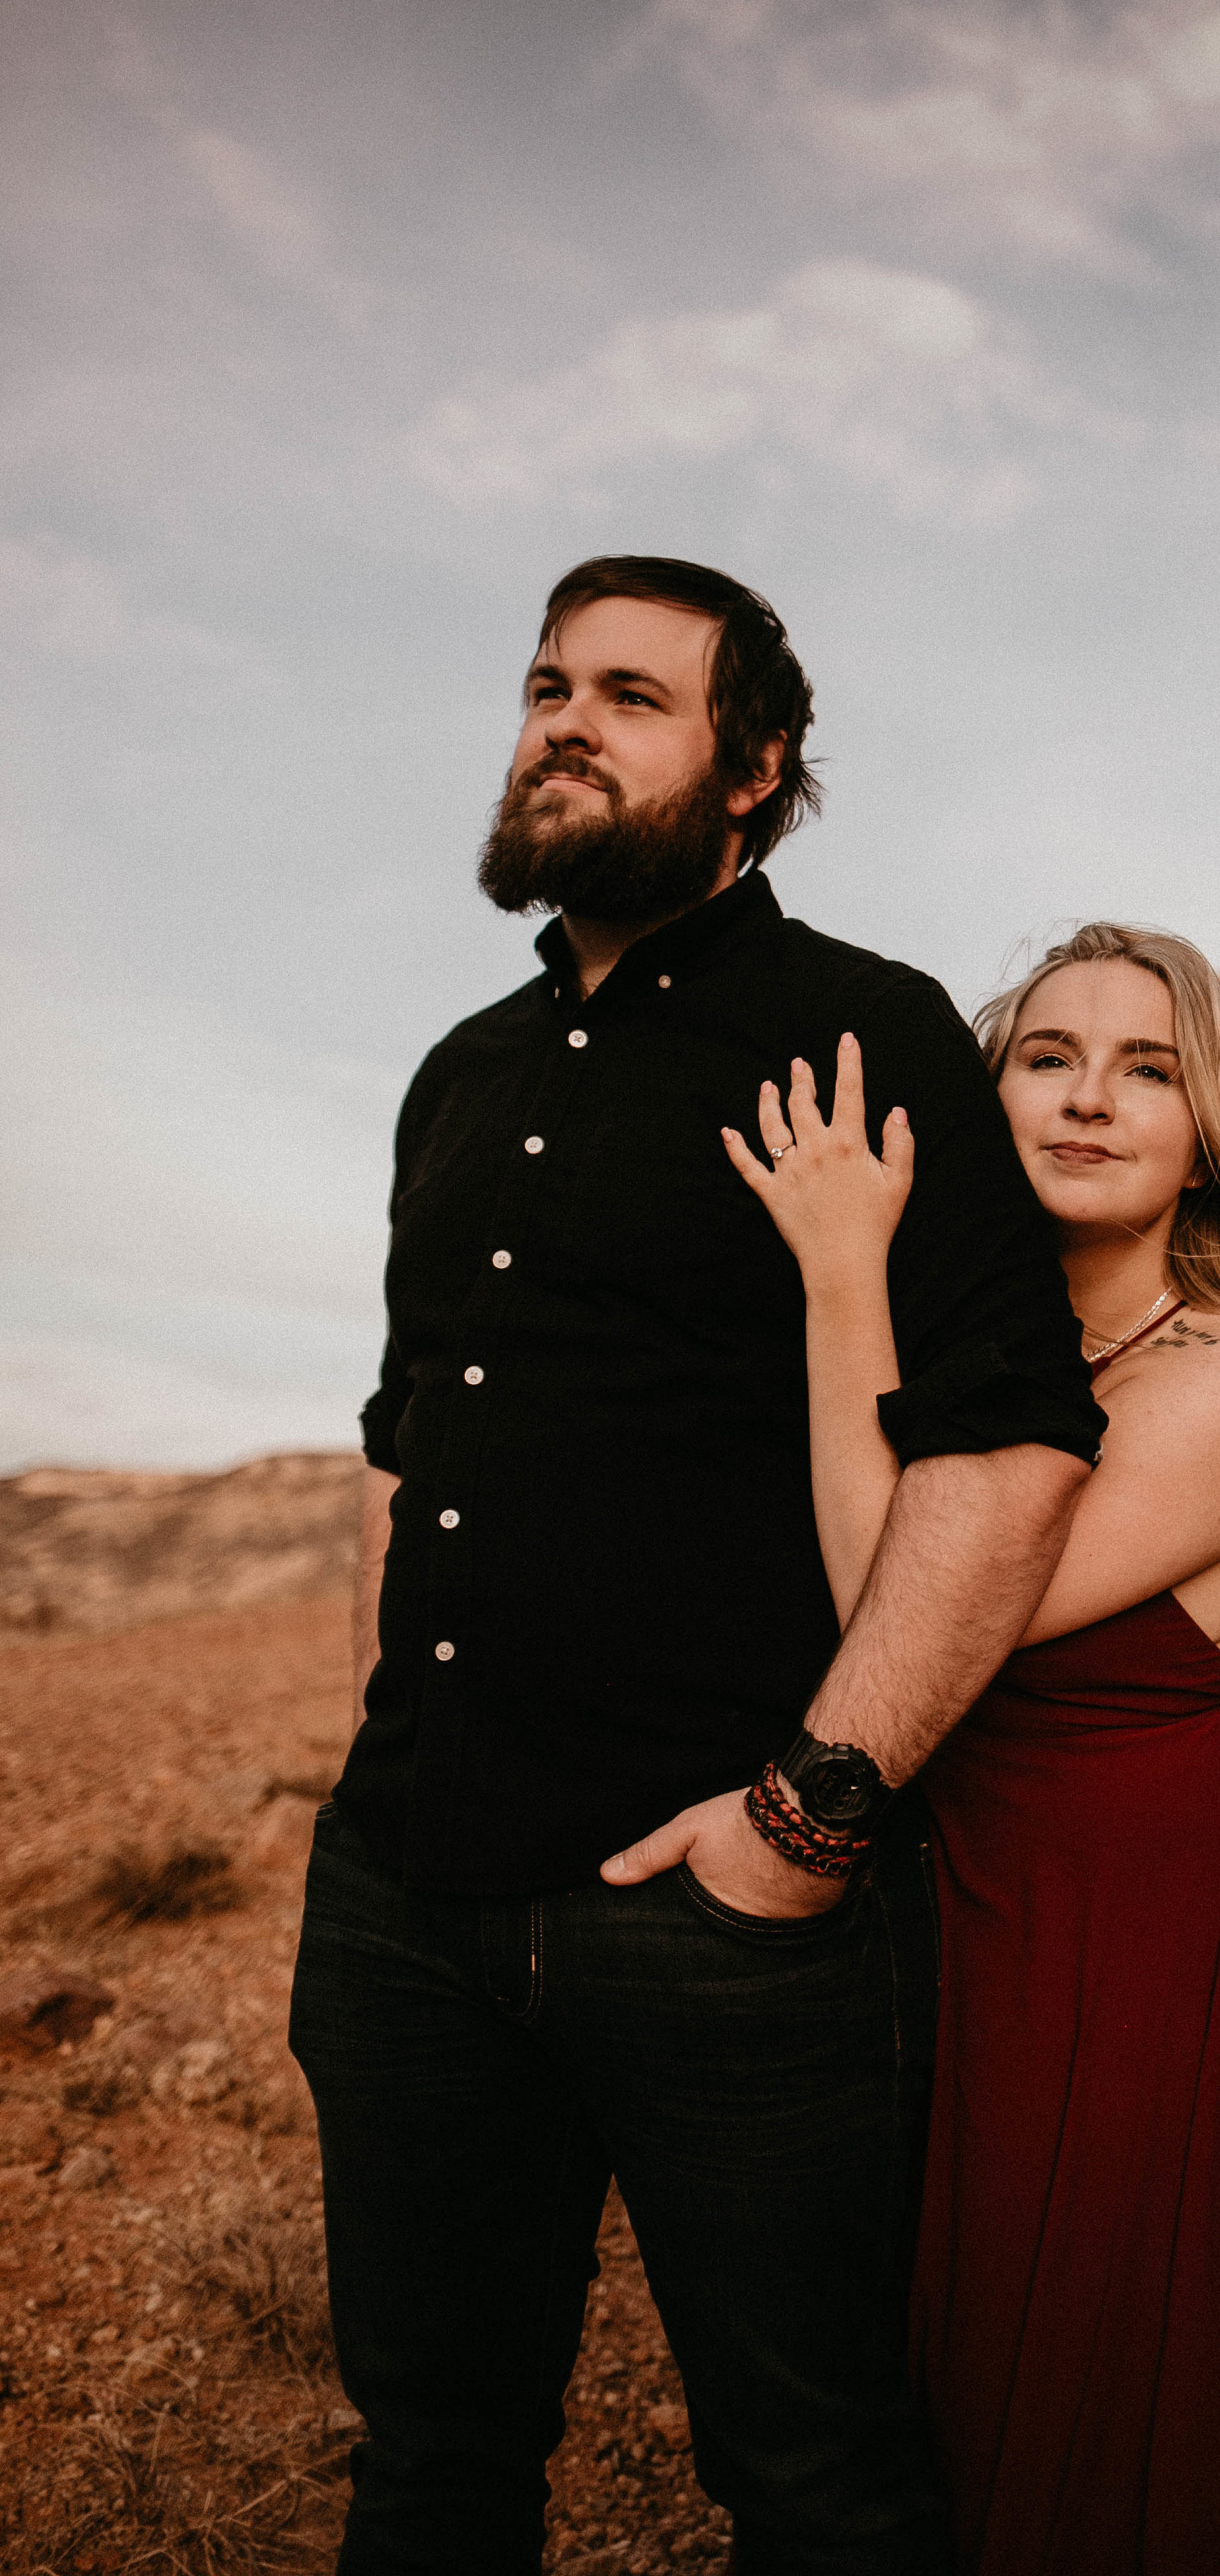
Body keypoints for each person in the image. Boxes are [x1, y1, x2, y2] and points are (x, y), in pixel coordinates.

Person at [288, 555, 1106, 2576]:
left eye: (631, 696)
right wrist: (370, 1792)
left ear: (752, 772)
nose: (564, 718)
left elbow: (1005, 1453)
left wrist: (809, 1812)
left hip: (732, 1912)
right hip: (409, 1902)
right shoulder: (456, 1077)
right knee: (430, 2461)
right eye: (548, 684)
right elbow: (410, 1454)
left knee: (819, 2484)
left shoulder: (864, 1027)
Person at [721, 921, 1220, 2575]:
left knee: (1104, 2353)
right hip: (967, 1896)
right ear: (983, 1093)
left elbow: (896, 1608)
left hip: (1143, 1914)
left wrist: (842, 1269)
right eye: (1044, 1058)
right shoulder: (988, 1359)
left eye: (1146, 1069)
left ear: (1205, 1132)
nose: (1089, 1099)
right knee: (948, 2346)